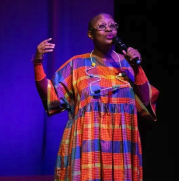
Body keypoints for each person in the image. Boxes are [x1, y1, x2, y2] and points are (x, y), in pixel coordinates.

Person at [32, 13, 159, 181]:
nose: (108, 29)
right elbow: (52, 98)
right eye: (102, 26)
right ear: (90, 34)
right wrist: (38, 63)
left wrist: (137, 67)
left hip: (122, 142)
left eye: (112, 25)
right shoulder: (76, 65)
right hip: (88, 142)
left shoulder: (128, 64)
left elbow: (146, 103)